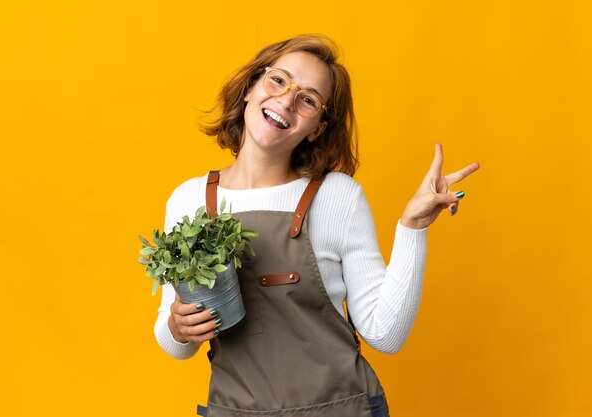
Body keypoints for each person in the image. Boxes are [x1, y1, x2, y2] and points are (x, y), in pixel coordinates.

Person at [153, 34, 479, 417]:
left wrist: (413, 227)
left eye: (308, 99)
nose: (287, 100)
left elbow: (385, 335)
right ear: (250, 88)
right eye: (278, 80)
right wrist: (178, 327)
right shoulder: (189, 201)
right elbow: (176, 343)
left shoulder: (338, 198)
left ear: (317, 128)